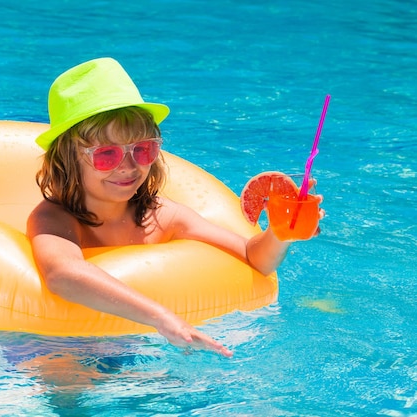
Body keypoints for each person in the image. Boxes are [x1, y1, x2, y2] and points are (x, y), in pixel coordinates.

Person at [27, 57, 323, 357]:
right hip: (56, 342)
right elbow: (62, 275)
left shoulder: (160, 216)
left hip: (139, 347)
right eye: (107, 155)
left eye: (142, 150)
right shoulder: (54, 218)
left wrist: (280, 232)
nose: (128, 167)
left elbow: (251, 257)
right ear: (68, 159)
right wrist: (162, 317)